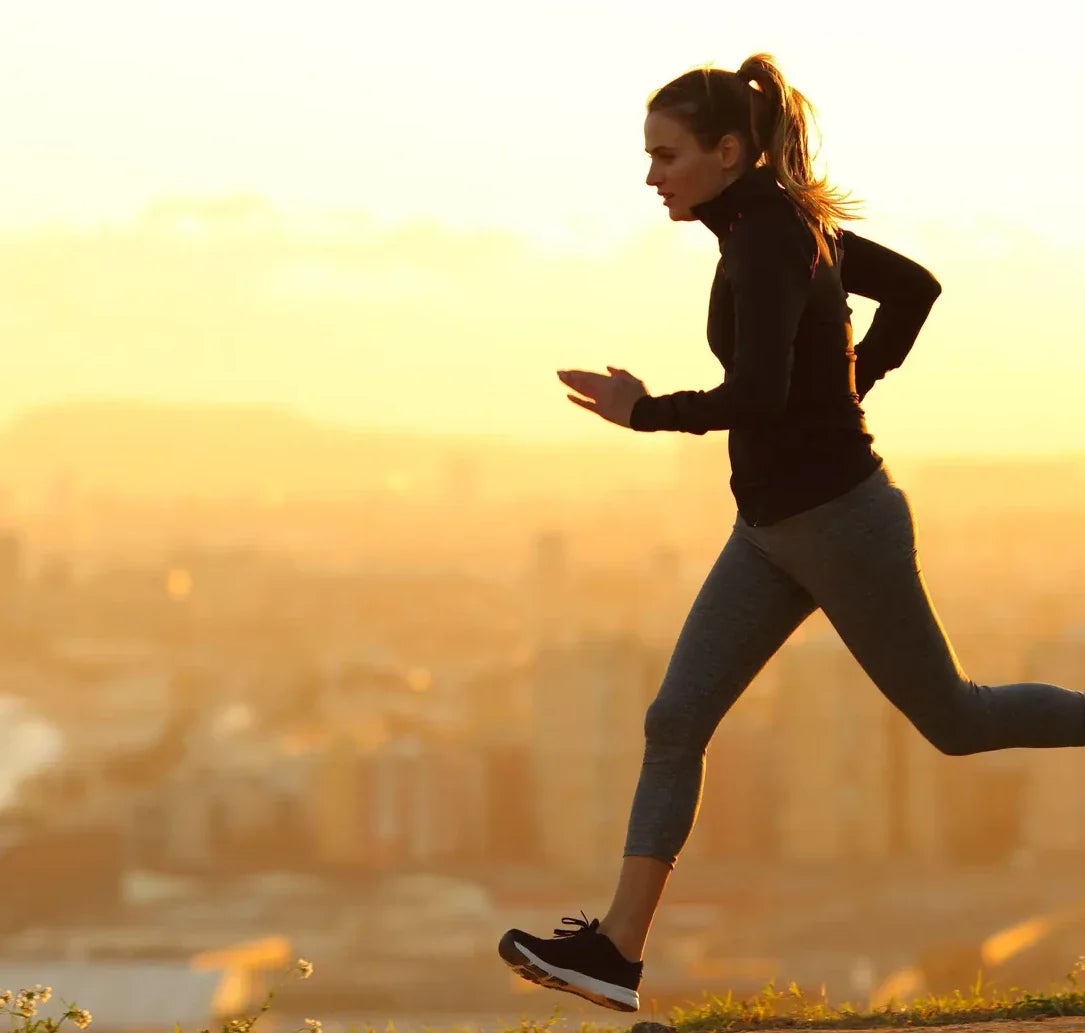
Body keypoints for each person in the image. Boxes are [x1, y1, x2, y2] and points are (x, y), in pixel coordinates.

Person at [497, 53, 1085, 1013]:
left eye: (665, 156)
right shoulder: (772, 226)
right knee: (673, 720)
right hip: (770, 529)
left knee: (957, 720)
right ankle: (614, 951)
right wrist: (853, 376)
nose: (651, 177)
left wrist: (646, 412)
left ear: (727, 152)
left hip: (839, 524)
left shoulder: (770, 239)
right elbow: (916, 291)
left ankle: (614, 948)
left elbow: (759, 394)